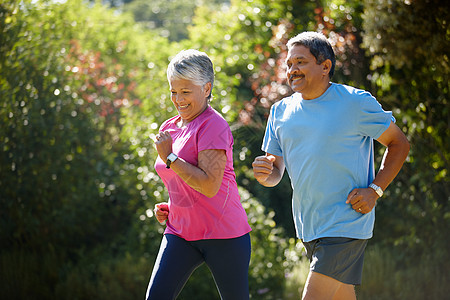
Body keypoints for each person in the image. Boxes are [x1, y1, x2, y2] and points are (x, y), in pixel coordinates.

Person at [252, 32, 410, 300]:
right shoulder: (280, 111)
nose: (293, 70)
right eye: (289, 64)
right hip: (308, 225)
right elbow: (275, 173)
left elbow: (399, 144)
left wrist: (375, 190)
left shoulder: (355, 102)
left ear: (325, 66)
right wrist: (265, 173)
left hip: (346, 222)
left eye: (300, 62)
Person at [146, 49, 252, 300]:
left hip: (224, 234)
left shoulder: (213, 125)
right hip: (180, 232)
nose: (178, 99)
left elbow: (208, 186)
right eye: (173, 91)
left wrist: (171, 157)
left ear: (206, 89)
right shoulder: (169, 127)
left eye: (185, 91)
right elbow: (178, 179)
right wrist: (170, 206)